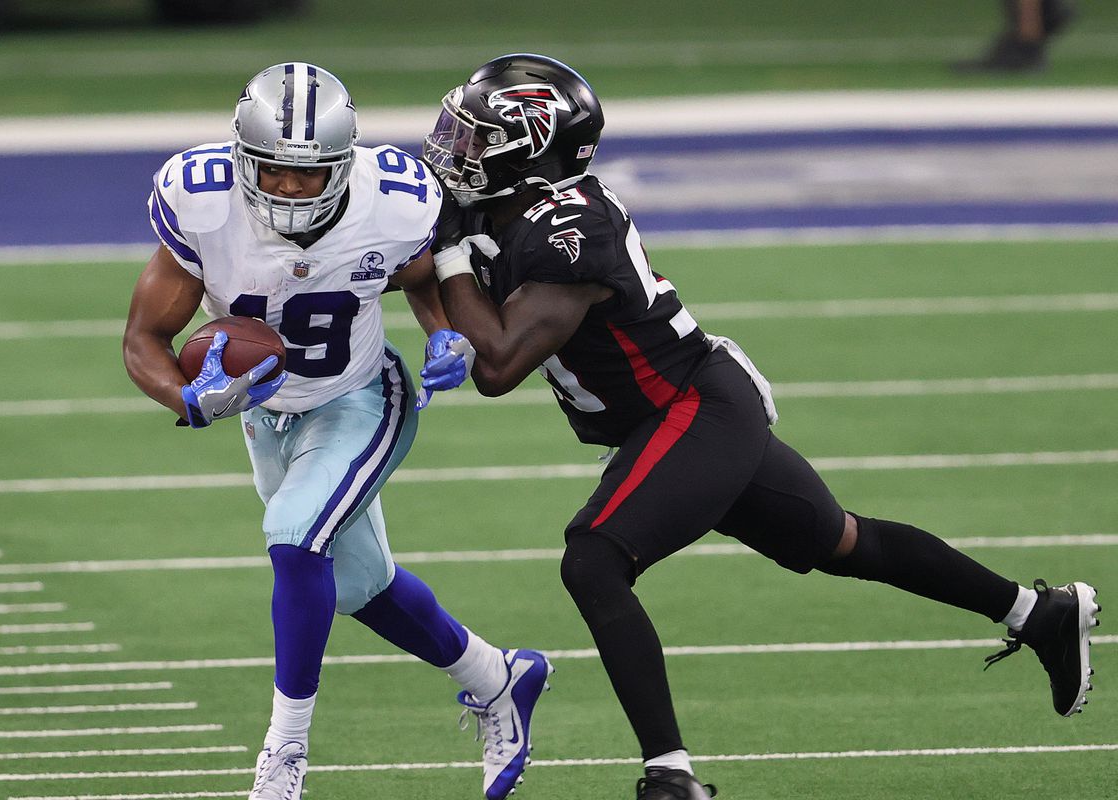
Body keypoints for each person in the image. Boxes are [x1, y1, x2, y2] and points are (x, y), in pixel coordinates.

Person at [419, 53, 1102, 799]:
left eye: (479, 139)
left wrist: (446, 256)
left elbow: (497, 365)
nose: (459, 152)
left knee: (593, 561)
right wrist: (430, 299)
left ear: (536, 148)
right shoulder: (500, 209)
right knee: (843, 541)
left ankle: (670, 777)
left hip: (693, 408)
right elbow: (426, 289)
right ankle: (1040, 613)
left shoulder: (570, 223)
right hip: (677, 414)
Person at [122, 62, 551, 800]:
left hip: (361, 397)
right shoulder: (202, 202)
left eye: (310, 174)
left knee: (294, 538)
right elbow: (143, 338)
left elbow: (422, 276)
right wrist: (189, 401)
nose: (289, 188)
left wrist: (444, 334)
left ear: (344, 164)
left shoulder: (393, 201)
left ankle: (283, 759)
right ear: (240, 158)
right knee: (356, 586)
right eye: (272, 171)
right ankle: (497, 676)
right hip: (264, 411)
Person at [954, 0, 1075, 72]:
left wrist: (1029, 25)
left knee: (1019, 49)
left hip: (1049, 13)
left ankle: (1027, 55)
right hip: (1053, 12)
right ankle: (1025, 52)